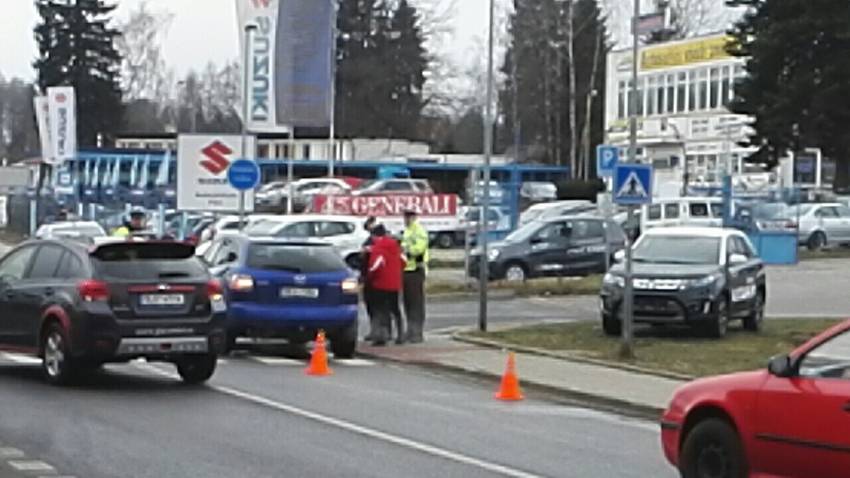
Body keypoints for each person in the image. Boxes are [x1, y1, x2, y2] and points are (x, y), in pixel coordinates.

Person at [366, 225, 404, 346]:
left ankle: (382, 336)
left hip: (381, 284)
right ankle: (400, 334)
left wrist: (369, 278)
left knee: (380, 310)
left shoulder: (378, 248)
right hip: (395, 283)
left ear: (375, 236)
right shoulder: (396, 246)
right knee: (395, 309)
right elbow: (404, 261)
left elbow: (375, 267)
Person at [401, 209, 429, 343]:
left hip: (416, 270)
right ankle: (410, 330)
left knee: (416, 303)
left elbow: (419, 249)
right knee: (408, 303)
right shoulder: (408, 230)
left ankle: (417, 332)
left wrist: (406, 250)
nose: (405, 220)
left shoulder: (418, 230)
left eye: (407, 217)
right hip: (407, 269)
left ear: (413, 217)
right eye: (405, 217)